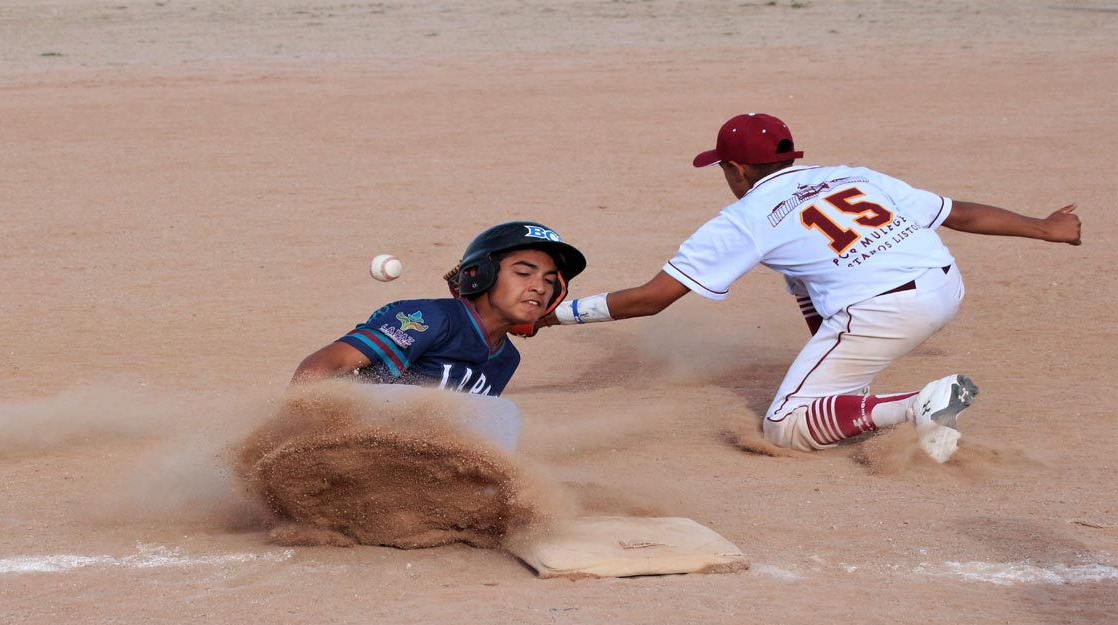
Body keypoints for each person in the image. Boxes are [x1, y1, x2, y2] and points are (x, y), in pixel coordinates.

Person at [537, 113, 1082, 462]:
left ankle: (918, 405)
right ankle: (858, 392)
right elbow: (957, 214)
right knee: (800, 275)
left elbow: (651, 299)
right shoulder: (853, 176)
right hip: (944, 287)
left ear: (734, 168)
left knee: (786, 427)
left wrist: (553, 315)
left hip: (883, 311)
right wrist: (1045, 228)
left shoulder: (746, 217)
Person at [292, 220, 586, 397]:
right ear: (478, 274)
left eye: (550, 281)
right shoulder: (433, 318)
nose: (540, 287)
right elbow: (325, 365)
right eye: (523, 273)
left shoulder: (507, 358)